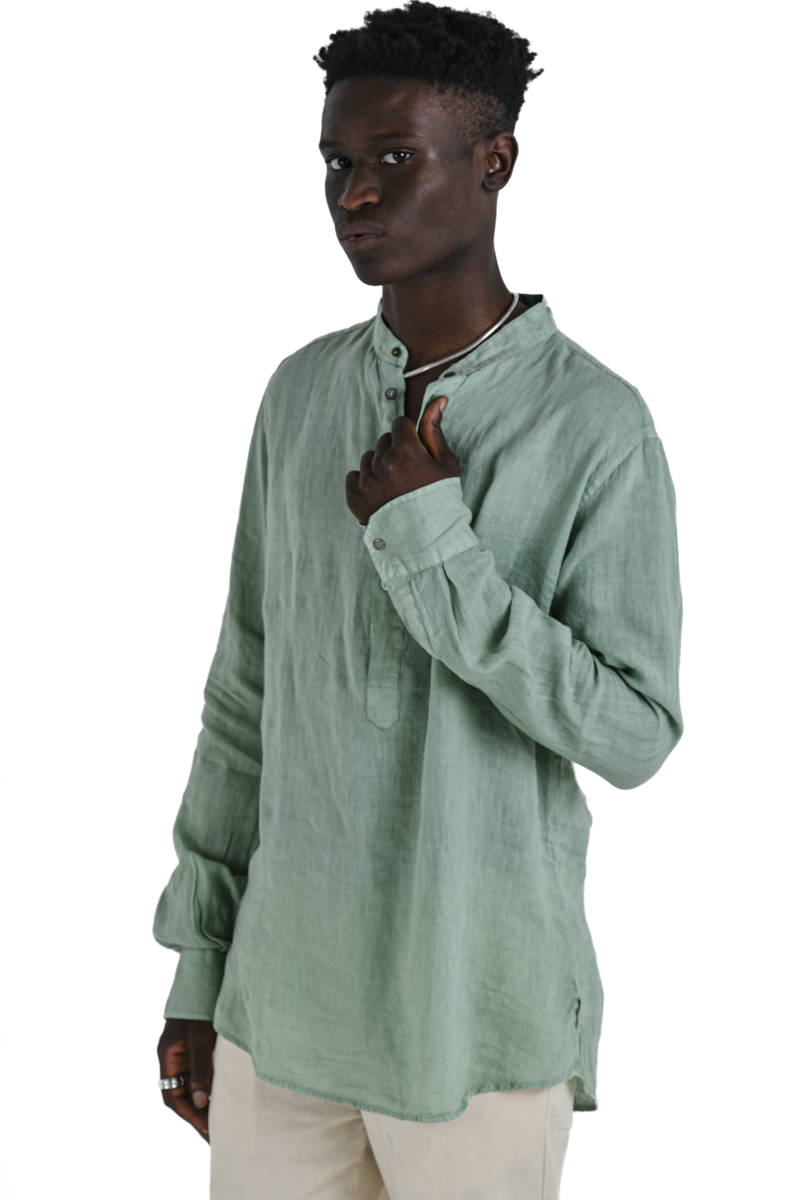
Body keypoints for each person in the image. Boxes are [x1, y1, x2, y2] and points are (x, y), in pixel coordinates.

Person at [153, 3, 683, 1196]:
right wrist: (200, 968)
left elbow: (636, 733)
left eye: (397, 158)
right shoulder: (300, 394)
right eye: (338, 161)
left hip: (475, 1021)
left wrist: (433, 537)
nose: (355, 193)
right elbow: (244, 698)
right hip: (278, 1014)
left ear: (495, 161)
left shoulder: (595, 425)